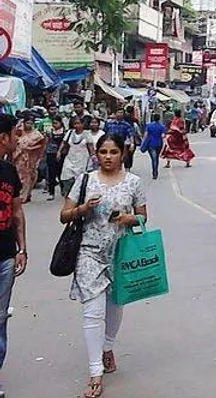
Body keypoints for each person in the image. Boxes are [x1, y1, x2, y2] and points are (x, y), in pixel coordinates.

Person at [60, 133, 147, 398]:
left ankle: (108, 345)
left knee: (115, 305)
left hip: (121, 254)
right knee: (92, 312)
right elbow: (64, 215)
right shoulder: (85, 181)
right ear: (96, 154)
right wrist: (83, 208)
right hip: (89, 253)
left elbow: (143, 216)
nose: (108, 157)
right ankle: (95, 372)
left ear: (123, 154)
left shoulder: (134, 182)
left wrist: (128, 219)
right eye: (103, 152)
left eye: (113, 152)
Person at [0, 113, 27, 397]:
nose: (17, 139)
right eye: (14, 134)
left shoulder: (8, 171)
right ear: (2, 138)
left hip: (5, 257)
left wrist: (22, 248)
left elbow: (17, 211)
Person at [12, 114, 46, 203]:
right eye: (27, 123)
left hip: (30, 160)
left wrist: (31, 149)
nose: (29, 125)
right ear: (24, 123)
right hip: (18, 158)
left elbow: (42, 145)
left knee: (28, 178)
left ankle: (24, 196)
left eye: (31, 123)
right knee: (18, 176)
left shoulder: (37, 134)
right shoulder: (19, 132)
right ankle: (20, 194)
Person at [59, 117, 94, 198]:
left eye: (79, 123)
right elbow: (64, 143)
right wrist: (59, 152)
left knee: (80, 179)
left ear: (83, 124)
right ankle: (68, 193)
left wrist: (93, 156)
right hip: (70, 157)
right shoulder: (70, 133)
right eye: (75, 123)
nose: (77, 125)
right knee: (66, 175)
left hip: (82, 159)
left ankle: (78, 195)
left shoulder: (87, 134)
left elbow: (90, 147)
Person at [44, 116, 66, 201]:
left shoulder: (65, 132)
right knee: (51, 174)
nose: (55, 125)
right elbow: (46, 142)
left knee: (61, 172)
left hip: (62, 154)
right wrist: (44, 152)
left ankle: (63, 189)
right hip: (51, 153)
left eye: (56, 123)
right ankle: (51, 192)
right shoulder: (49, 131)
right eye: (53, 123)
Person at [140, 114, 166, 180]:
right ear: (159, 118)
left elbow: (145, 135)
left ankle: (154, 173)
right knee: (156, 158)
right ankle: (155, 172)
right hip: (159, 144)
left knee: (153, 158)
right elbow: (163, 136)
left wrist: (143, 142)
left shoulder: (149, 126)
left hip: (150, 144)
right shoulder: (162, 126)